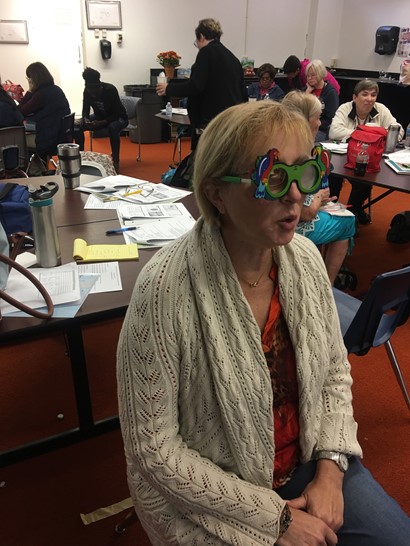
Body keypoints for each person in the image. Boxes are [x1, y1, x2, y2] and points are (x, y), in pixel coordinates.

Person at [117, 100, 410, 546]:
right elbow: (154, 449)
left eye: (305, 173)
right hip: (216, 491)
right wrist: (276, 520)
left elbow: (333, 373)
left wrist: (331, 468)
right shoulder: (165, 288)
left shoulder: (306, 261)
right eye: (273, 178)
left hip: (310, 459)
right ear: (216, 193)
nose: (296, 196)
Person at [283, 90, 356, 284]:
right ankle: (327, 285)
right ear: (306, 121)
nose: (320, 123)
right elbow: (304, 213)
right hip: (291, 225)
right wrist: (317, 199)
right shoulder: (302, 155)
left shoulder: (282, 145)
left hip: (284, 218)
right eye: (318, 118)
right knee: (347, 221)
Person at [156, 18, 248, 150]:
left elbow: (196, 86)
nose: (197, 46)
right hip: (231, 120)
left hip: (210, 122)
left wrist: (168, 89)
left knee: (204, 162)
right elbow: (243, 93)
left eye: (196, 42)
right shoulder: (232, 58)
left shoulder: (206, 53)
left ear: (202, 36)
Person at [329, 79, 404, 224]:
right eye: (365, 94)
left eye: (373, 95)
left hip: (369, 161)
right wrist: (369, 135)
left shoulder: (381, 109)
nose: (369, 99)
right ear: (355, 97)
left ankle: (352, 212)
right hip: (344, 159)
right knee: (333, 174)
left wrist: (370, 137)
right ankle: (331, 210)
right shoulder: (345, 108)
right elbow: (334, 132)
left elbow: (397, 131)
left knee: (366, 179)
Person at [75, 67, 128, 173]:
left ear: (100, 87)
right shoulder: (87, 91)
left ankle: (116, 161)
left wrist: (102, 122)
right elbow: (85, 110)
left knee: (113, 128)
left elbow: (117, 114)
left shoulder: (110, 89)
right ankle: (79, 158)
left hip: (119, 118)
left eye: (96, 92)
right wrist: (86, 120)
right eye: (91, 92)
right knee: (78, 126)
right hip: (99, 117)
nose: (93, 94)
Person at [17, 61, 70, 161]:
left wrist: (29, 91)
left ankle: (32, 168)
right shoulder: (56, 89)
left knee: (18, 137)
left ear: (34, 79)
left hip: (47, 138)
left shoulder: (40, 95)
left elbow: (20, 112)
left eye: (29, 78)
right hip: (59, 134)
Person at [304, 59, 339, 142]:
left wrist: (312, 124)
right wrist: (307, 93)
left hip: (322, 130)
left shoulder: (330, 93)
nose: (310, 78)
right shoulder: (306, 90)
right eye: (308, 76)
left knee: (303, 139)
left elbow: (330, 119)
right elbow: (300, 110)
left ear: (320, 74)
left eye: (313, 75)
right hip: (305, 127)